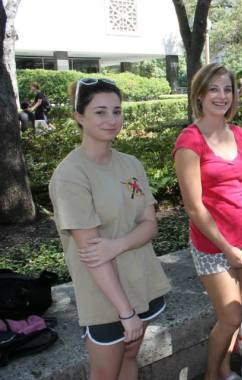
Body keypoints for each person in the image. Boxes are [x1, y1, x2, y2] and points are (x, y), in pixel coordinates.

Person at [49, 78, 171, 380]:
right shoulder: (70, 176)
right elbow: (92, 253)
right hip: (104, 293)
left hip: (141, 278)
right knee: (105, 373)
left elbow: (150, 225)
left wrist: (116, 244)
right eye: (100, 112)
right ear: (79, 116)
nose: (112, 120)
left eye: (117, 111)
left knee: (131, 356)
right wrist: (125, 312)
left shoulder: (131, 164)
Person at [173, 63, 242, 380]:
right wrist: (227, 249)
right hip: (213, 246)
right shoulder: (190, 141)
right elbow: (194, 208)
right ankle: (213, 375)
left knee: (235, 313)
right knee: (229, 315)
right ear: (199, 93)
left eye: (227, 89)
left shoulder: (241, 136)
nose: (222, 95)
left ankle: (226, 370)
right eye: (213, 88)